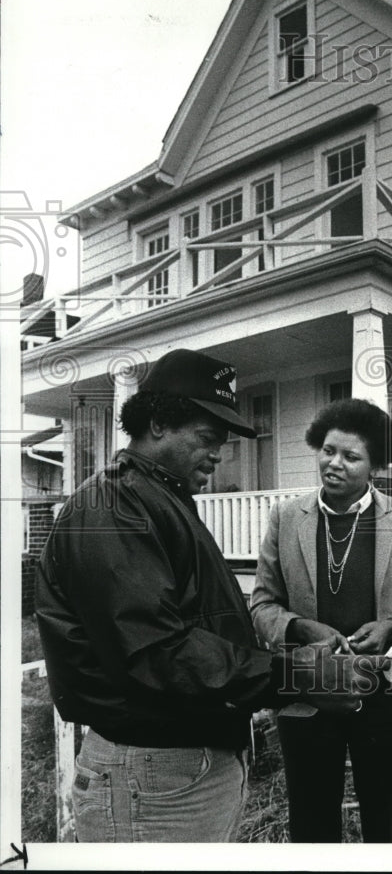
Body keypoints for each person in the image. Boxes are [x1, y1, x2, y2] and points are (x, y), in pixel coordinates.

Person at [35, 349, 362, 844]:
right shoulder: (113, 506)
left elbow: (198, 623)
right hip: (150, 774)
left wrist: (293, 635)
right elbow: (157, 651)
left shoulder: (161, 500)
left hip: (176, 772)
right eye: (208, 439)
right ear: (160, 422)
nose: (218, 454)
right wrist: (297, 676)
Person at [250, 398, 392, 843]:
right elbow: (262, 605)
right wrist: (301, 629)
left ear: (374, 465)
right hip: (310, 694)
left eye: (351, 456)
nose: (333, 463)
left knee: (388, 820)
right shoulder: (285, 518)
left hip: (388, 696)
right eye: (327, 450)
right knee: (312, 820)